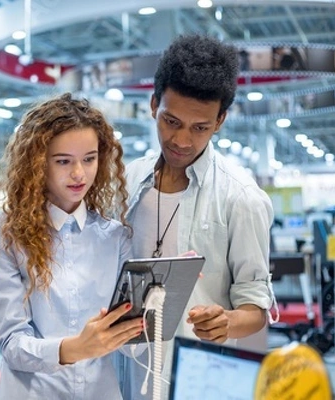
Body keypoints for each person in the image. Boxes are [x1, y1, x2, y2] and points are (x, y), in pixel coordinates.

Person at [120, 34, 276, 399]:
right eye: (171, 121)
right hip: (125, 373)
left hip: (200, 382)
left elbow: (256, 304)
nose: (182, 140)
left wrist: (229, 322)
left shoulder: (241, 197)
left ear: (220, 121)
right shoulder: (124, 182)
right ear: (154, 104)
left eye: (200, 127)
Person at [0, 93, 143, 399]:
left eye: (89, 159)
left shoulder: (115, 237)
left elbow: (133, 331)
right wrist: (74, 348)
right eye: (64, 161)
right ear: (37, 164)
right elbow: (13, 343)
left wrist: (167, 289)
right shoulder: (3, 232)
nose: (79, 173)